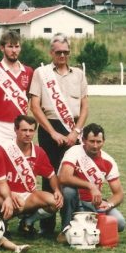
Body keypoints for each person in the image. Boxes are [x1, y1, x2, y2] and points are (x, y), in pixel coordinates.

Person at [29, 33, 88, 236]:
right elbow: (35, 107)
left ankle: (69, 223)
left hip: (73, 128)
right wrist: (53, 132)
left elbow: (85, 107)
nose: (62, 55)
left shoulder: (79, 74)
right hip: (49, 128)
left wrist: (76, 131)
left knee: (71, 177)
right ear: (51, 53)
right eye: (58, 52)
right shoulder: (41, 73)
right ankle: (46, 226)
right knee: (49, 175)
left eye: (66, 52)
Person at [58, 123, 125, 242]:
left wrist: (108, 204)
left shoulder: (108, 161)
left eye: (99, 142)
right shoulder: (74, 151)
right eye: (92, 141)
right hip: (76, 202)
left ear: (103, 141)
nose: (95, 146)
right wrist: (90, 186)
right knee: (68, 191)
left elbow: (119, 194)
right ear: (84, 140)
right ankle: (65, 230)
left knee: (120, 223)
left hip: (94, 204)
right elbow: (64, 177)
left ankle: (87, 227)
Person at [0, 115, 63, 238]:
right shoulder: (3, 149)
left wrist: (57, 190)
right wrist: (9, 194)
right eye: (24, 130)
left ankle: (27, 222)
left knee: (55, 202)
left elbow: (51, 175)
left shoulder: (39, 152)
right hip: (6, 194)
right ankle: (2, 223)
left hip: (27, 196)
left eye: (31, 130)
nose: (28, 134)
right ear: (16, 130)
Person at [0, 31, 33, 146]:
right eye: (10, 46)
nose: (14, 50)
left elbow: (27, 96)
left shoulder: (28, 71)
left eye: (17, 46)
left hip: (21, 126)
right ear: (2, 48)